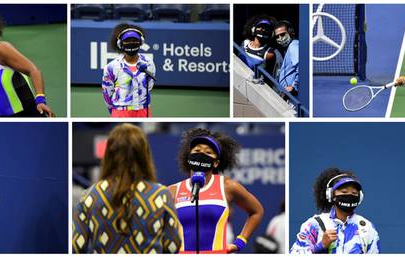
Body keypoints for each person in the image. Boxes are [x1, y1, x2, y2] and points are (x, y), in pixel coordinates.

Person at [73, 124, 181, 253]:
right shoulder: (161, 195)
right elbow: (172, 246)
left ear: (108, 154)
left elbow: (77, 246)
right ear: (144, 155)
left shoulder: (90, 196)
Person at [169, 128, 264, 253]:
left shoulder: (228, 186)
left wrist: (240, 241)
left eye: (208, 152)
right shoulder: (172, 190)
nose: (202, 154)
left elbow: (257, 211)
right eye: (197, 150)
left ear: (216, 163)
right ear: (188, 157)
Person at [290, 168, 379, 254]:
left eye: (354, 193)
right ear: (330, 195)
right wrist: (320, 246)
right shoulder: (315, 224)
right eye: (344, 192)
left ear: (360, 197)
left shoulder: (367, 227)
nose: (349, 195)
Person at [102, 23, 155, 117]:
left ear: (141, 42)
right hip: (120, 112)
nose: (131, 43)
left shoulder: (148, 62)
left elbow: (149, 85)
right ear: (120, 44)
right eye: (127, 41)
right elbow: (107, 93)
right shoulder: (111, 67)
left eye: (134, 40)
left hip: (144, 111)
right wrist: (114, 111)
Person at [273, 20, 299, 98]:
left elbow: (301, 67)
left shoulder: (293, 46)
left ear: (290, 32)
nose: (280, 38)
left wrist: (294, 86)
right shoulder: (287, 49)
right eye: (277, 36)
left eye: (282, 34)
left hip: (292, 95)